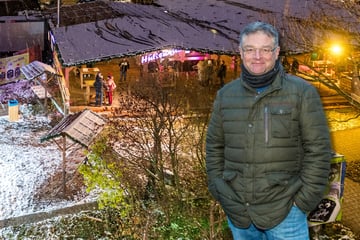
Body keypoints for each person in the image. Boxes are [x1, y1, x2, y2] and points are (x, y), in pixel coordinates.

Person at [205, 21, 332, 240]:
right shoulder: (226, 95)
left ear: (277, 52)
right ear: (241, 52)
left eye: (265, 49)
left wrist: (302, 202)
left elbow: (318, 151)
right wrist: (219, 188)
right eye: (250, 49)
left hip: (286, 211)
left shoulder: (302, 93)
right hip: (239, 213)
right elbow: (214, 146)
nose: (257, 56)